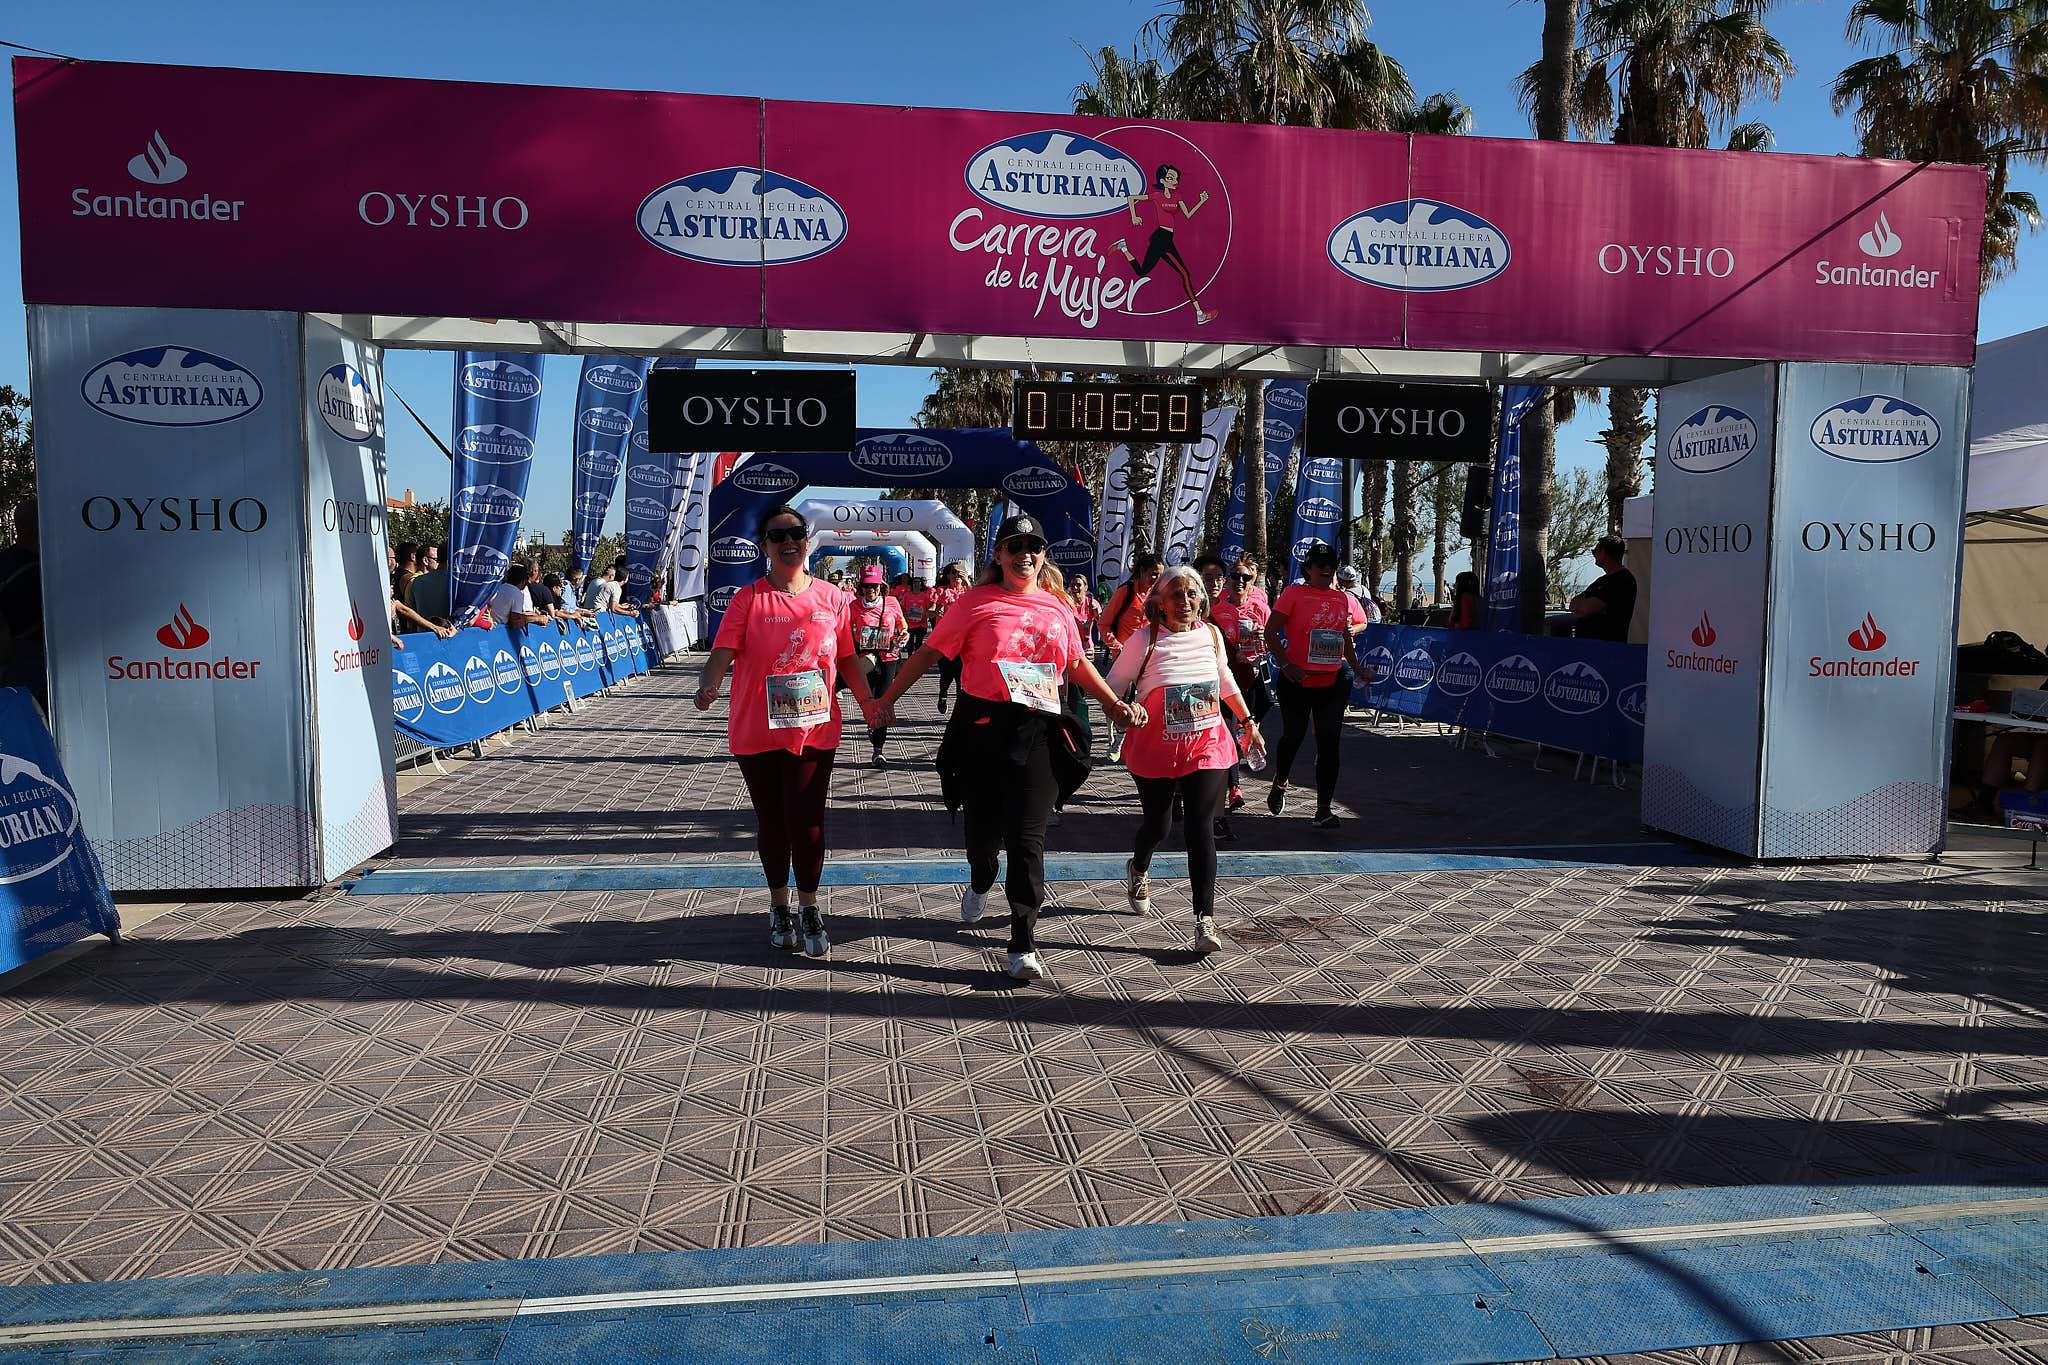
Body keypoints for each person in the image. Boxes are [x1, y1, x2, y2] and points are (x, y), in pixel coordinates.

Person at [877, 514, 1140, 983]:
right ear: (998, 555)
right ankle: (980, 878)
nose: (1025, 554)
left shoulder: (1057, 608)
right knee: (982, 836)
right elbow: (929, 653)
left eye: (1033, 546)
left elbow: (1077, 665)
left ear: (1043, 555)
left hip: (1038, 727)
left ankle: (1022, 939)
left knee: (1027, 838)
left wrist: (1115, 705)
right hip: (983, 728)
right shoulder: (975, 603)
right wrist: (886, 700)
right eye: (1014, 546)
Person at [695, 506, 878, 957]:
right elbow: (723, 650)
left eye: (797, 533)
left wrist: (870, 702)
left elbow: (848, 658)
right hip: (758, 729)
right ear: (766, 547)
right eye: (779, 536)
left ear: (807, 541)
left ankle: (811, 905)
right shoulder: (749, 599)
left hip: (813, 728)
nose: (789, 541)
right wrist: (710, 680)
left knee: (808, 819)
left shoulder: (833, 599)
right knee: (773, 820)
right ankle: (780, 905)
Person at [1109, 566, 1264, 953]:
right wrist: (1127, 709)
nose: (1185, 602)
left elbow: (1225, 680)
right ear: (1159, 603)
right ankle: (1139, 866)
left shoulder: (1211, 635)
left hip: (1206, 744)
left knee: (1200, 826)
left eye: (1192, 594)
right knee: (1158, 827)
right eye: (1176, 595)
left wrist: (1247, 722)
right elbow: (1112, 688)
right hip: (1156, 746)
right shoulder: (1143, 641)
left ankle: (1204, 920)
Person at [1264, 544, 1366, 829]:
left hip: (1331, 681)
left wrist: (1357, 668)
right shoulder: (1293, 593)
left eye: (1330, 563)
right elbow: (1271, 632)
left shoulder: (1341, 598)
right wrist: (1286, 665)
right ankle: (1281, 781)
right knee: (1293, 738)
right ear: (1307, 568)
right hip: (1297, 680)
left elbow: (1344, 634)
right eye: (1319, 563)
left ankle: (1323, 810)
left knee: (1329, 742)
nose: (1325, 568)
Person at [1112, 164, 1216, 326]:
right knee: (1184, 274)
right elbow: (1131, 198)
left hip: (1166, 238)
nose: (1174, 181)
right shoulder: (1157, 196)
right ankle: (1199, 314)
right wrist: (1134, 216)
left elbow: (1188, 214)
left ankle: (1123, 247)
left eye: (1176, 178)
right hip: (1161, 238)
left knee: (1142, 272)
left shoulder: (1177, 196)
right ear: (1162, 180)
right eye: (1170, 178)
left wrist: (1201, 201)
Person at [1211, 555, 1273, 822]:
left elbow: (1269, 644)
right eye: (1235, 576)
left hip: (1250, 676)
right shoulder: (1218, 610)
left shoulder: (1260, 608)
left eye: (1245, 577)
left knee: (1253, 718)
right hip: (1224, 679)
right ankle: (1234, 788)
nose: (1239, 581)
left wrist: (1263, 641)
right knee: (1226, 731)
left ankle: (1245, 739)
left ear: (1253, 581)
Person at [850, 564, 908, 766]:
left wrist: (904, 634)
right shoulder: (855, 606)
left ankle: (878, 751)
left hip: (889, 658)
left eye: (874, 585)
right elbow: (845, 630)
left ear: (881, 585)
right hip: (866, 660)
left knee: (883, 702)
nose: (870, 589)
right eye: (866, 585)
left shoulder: (891, 602)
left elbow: (902, 625)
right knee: (871, 700)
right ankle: (872, 723)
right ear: (861, 586)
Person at [1570, 535, 1637, 642]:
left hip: (1607, 646)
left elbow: (1586, 608)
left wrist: (1584, 602)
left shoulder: (1622, 580)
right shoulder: (1601, 581)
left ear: (1604, 553)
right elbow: (1573, 604)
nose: (1594, 555)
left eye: (1594, 551)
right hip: (1588, 644)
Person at [1100, 554, 1162, 661]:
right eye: (1154, 574)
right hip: (1124, 659)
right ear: (1142, 570)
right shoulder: (1125, 591)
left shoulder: (1156, 595)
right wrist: (1117, 649)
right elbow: (1103, 624)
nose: (1157, 579)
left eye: (1160, 575)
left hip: (1147, 658)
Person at [928, 561, 969, 714]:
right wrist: (936, 611)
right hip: (944, 641)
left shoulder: (969, 591)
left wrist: (967, 582)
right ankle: (943, 695)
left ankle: (959, 710)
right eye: (953, 573)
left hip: (964, 642)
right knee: (946, 676)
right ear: (948, 575)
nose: (956, 576)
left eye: (959, 574)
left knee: (961, 678)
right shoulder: (941, 592)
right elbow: (929, 612)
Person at [486, 564, 548, 630]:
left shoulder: (499, 587)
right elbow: (515, 621)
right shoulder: (517, 593)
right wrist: (538, 619)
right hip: (498, 629)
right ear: (523, 581)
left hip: (492, 626)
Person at [404, 542, 452, 626]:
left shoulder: (417, 582)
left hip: (423, 635)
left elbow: (410, 616)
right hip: (449, 634)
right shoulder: (455, 583)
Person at [1066, 572, 1101, 651]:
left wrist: (1096, 613)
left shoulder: (1092, 603)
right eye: (1072, 585)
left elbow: (1102, 624)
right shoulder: (1066, 604)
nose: (1075, 588)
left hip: (1087, 647)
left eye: (1078, 585)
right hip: (1071, 648)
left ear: (1085, 587)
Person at [900, 575, 935, 653]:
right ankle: (909, 658)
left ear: (920, 585)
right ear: (912, 584)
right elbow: (902, 607)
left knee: (919, 644)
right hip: (909, 623)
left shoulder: (925, 596)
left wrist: (926, 615)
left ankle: (916, 660)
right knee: (910, 643)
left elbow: (930, 607)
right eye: (914, 583)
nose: (916, 584)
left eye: (918, 583)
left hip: (921, 624)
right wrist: (905, 615)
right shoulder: (907, 595)